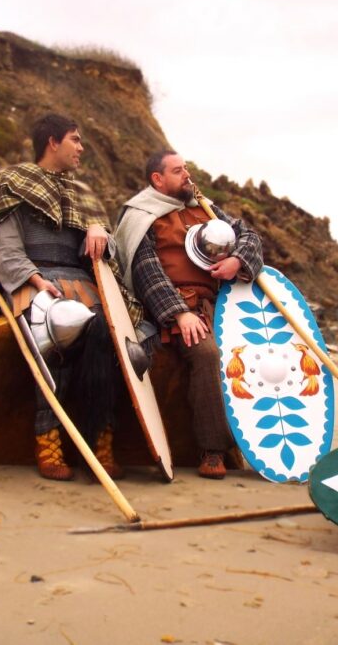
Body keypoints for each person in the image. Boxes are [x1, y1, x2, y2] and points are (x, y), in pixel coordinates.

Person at [0, 113, 134, 481]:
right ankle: (48, 439)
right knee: (54, 333)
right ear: (53, 142)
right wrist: (35, 280)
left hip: (82, 283)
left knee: (108, 337)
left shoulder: (83, 195)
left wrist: (100, 233)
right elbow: (5, 249)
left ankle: (99, 437)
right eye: (75, 139)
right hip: (32, 279)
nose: (81, 148)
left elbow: (108, 253)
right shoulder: (10, 184)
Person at [114, 151, 263, 478]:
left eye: (187, 169)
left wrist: (237, 261)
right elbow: (146, 272)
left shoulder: (204, 208)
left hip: (221, 305)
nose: (187, 175)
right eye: (178, 170)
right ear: (158, 179)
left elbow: (249, 236)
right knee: (207, 353)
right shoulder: (142, 214)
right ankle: (213, 450)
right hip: (172, 308)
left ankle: (262, 445)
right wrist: (180, 314)